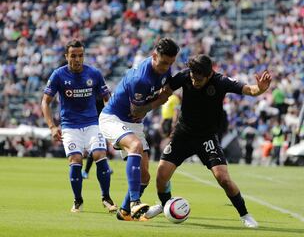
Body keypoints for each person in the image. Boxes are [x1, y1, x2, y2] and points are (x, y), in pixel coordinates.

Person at [144, 54, 272, 228]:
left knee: (223, 178)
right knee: (161, 174)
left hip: (206, 137)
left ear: (209, 75)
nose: (194, 82)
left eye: (199, 79)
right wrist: (154, 98)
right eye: (192, 78)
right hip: (183, 134)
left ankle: (245, 214)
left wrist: (260, 89)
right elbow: (166, 90)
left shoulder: (221, 81)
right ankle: (166, 205)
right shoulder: (185, 75)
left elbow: (250, 90)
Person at [99, 37, 180, 221]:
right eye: (164, 62)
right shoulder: (141, 79)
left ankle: (125, 211)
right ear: (154, 56)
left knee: (145, 177)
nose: (167, 67)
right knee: (135, 146)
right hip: (113, 118)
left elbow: (138, 116)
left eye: (171, 63)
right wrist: (161, 99)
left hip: (133, 124)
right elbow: (137, 111)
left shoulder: (165, 69)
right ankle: (135, 202)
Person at [41, 39, 117, 213]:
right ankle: (78, 201)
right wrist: (52, 126)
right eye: (73, 56)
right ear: (66, 56)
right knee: (75, 160)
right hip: (70, 125)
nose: (77, 59)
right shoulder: (58, 75)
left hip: (92, 123)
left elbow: (107, 98)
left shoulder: (94, 74)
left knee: (99, 154)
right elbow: (45, 102)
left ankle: (106, 198)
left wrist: (110, 120)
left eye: (80, 55)